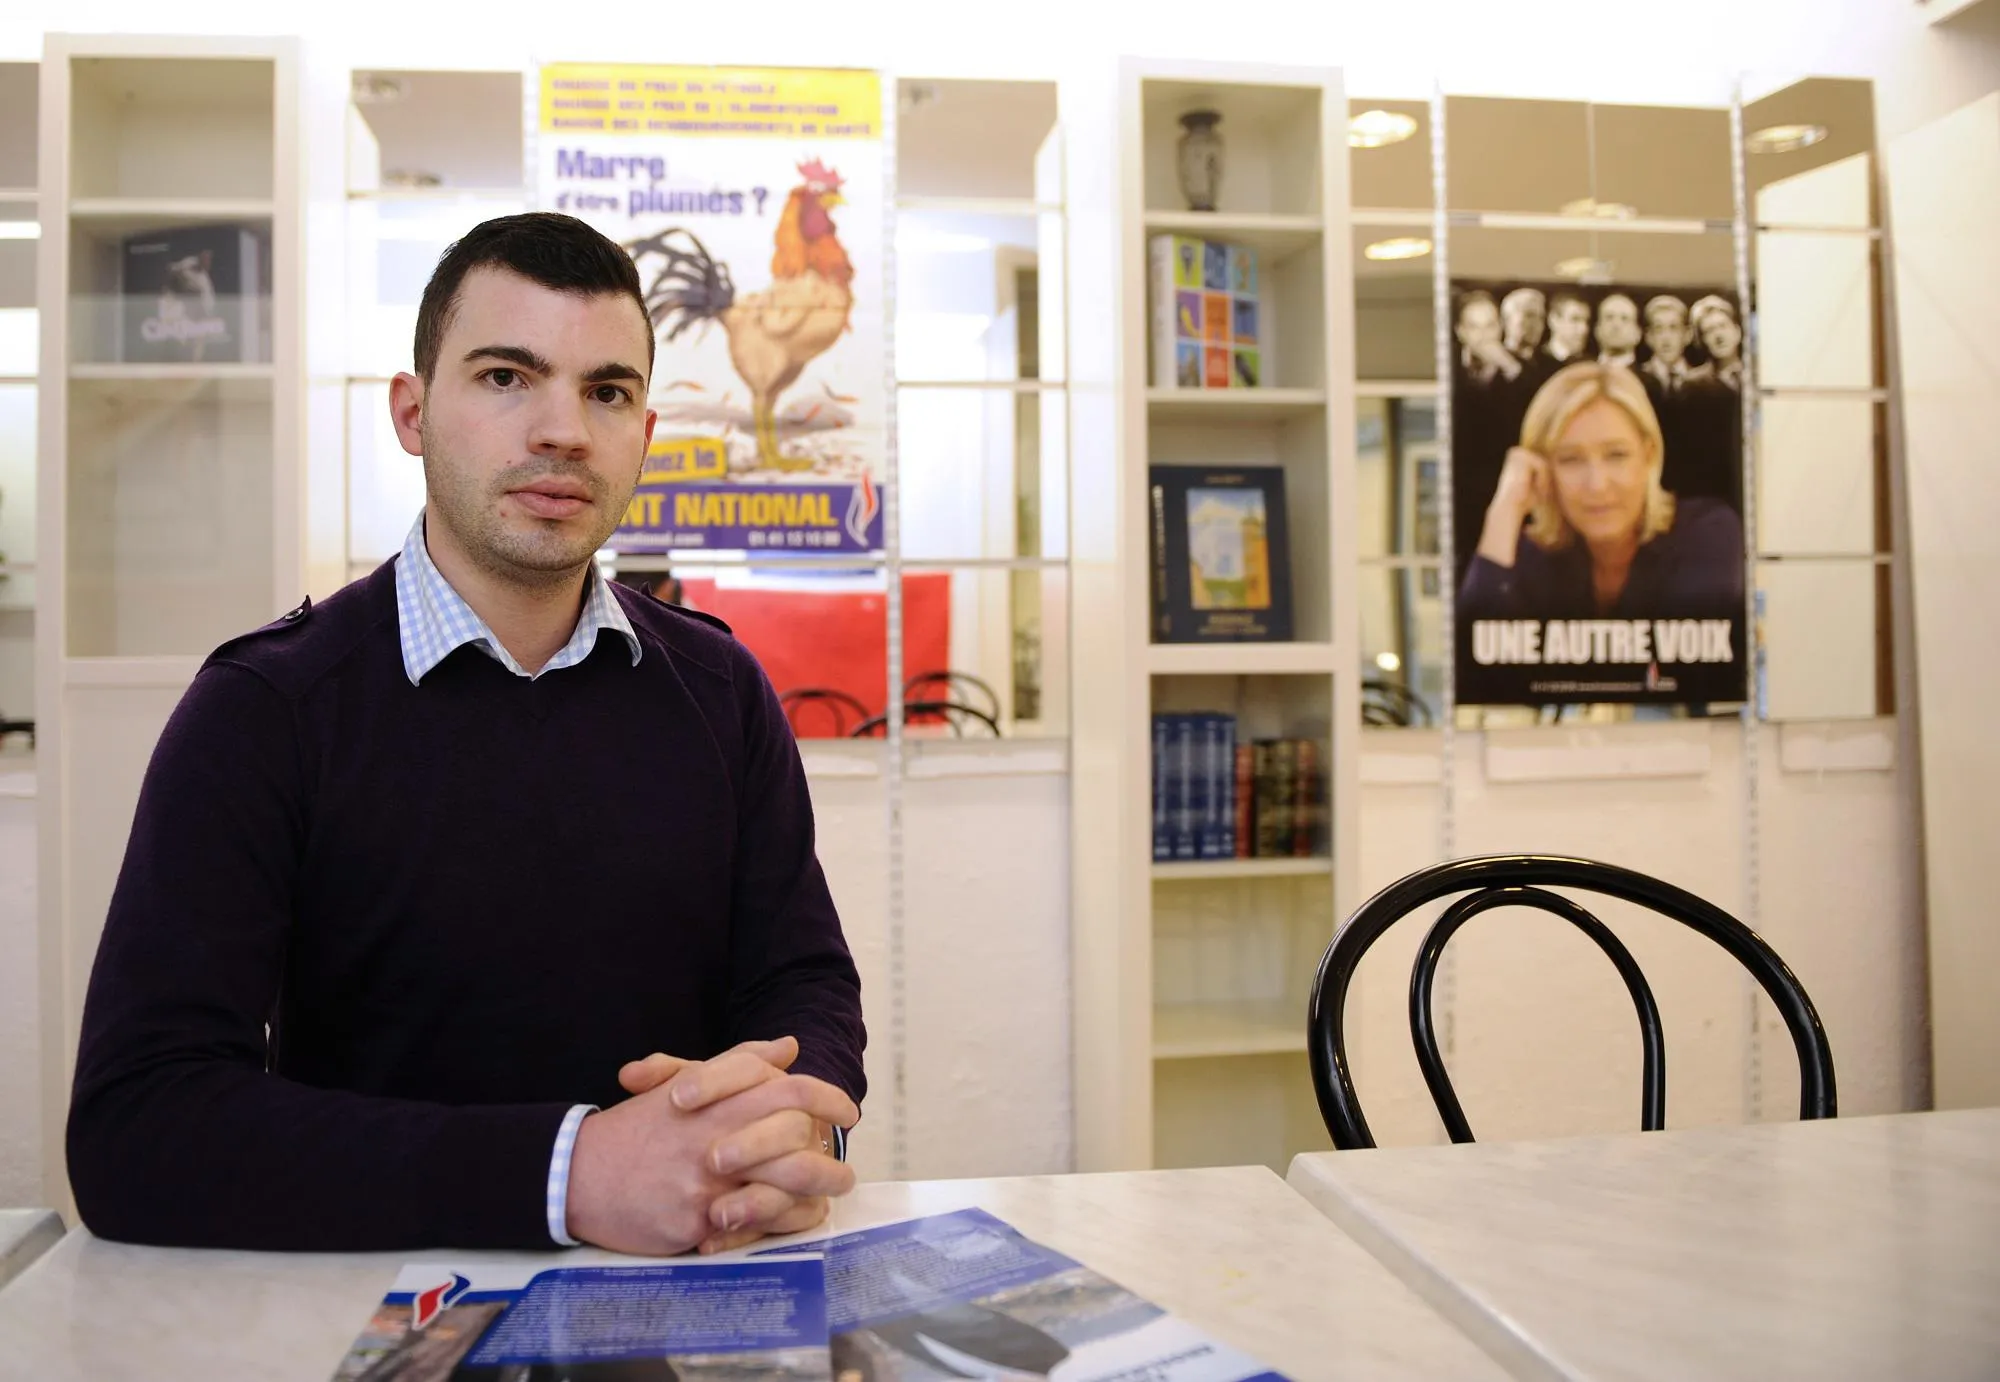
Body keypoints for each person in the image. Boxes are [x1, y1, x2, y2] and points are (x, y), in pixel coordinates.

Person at [65, 213, 867, 1256]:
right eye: (504, 376)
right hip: (374, 1306)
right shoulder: (264, 709)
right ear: (412, 410)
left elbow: (801, 977)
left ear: (644, 433)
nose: (562, 430)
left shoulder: (721, 689)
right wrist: (568, 1173)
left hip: (690, 1279)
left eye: (606, 391)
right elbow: (139, 1127)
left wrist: (796, 1106)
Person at [1459, 361, 1743, 620]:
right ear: (1543, 470)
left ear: (1649, 456)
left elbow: (1688, 667)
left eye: (1616, 455)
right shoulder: (1527, 554)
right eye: (1571, 459)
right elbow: (1478, 657)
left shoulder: (1709, 532)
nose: (1597, 484)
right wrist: (1503, 511)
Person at [1686, 294, 1744, 391]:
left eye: (1723, 326)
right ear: (1702, 341)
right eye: (1709, 330)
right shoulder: (1693, 385)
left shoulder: (1757, 376)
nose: (1718, 336)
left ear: (1737, 331)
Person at [1592, 292, 1641, 370]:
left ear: (1637, 333)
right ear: (1597, 330)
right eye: (1609, 317)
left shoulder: (1647, 381)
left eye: (1624, 318)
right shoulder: (1581, 376)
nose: (1616, 325)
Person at [1500, 286, 1547, 362]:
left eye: (1541, 318)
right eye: (1529, 315)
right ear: (1507, 319)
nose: (1536, 324)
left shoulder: (1549, 365)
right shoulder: (1492, 366)